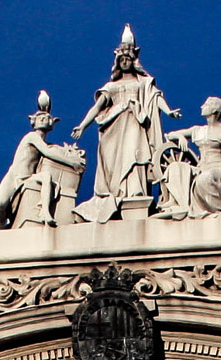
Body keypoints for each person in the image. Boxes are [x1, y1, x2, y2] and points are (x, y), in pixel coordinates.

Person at [71, 26, 179, 223]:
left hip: (135, 125)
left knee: (135, 155)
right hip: (114, 129)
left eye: (128, 59)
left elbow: (155, 98)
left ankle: (135, 191)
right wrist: (82, 125)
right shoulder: (111, 86)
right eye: (122, 60)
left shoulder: (143, 83)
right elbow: (96, 108)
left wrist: (169, 111)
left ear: (134, 61)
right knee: (117, 161)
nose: (125, 62)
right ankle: (118, 193)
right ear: (117, 63)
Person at [156, 97, 221, 219]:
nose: (202, 106)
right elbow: (171, 134)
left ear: (215, 109)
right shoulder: (197, 130)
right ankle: (182, 206)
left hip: (218, 168)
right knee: (175, 168)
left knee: (204, 179)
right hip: (200, 167)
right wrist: (180, 137)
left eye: (206, 105)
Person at [0, 92, 87, 229]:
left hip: (28, 177)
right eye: (40, 117)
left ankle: (44, 212)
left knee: (46, 177)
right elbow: (47, 152)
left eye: (47, 117)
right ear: (33, 121)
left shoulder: (47, 144)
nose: (44, 119)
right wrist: (71, 162)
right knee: (0, 203)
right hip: (14, 176)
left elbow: (52, 151)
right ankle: (1, 227)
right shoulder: (31, 136)